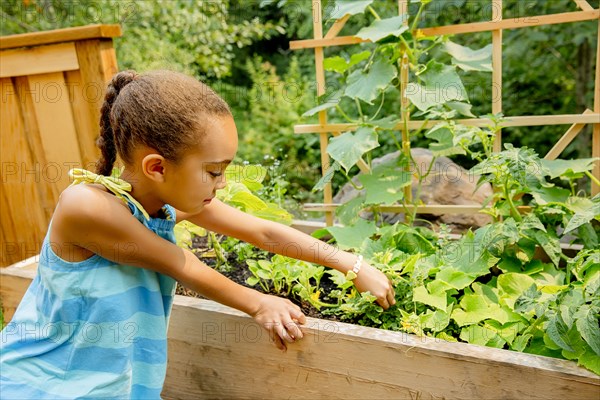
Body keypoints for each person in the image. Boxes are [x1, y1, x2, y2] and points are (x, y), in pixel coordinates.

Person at [0, 70, 395, 398]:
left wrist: (349, 263)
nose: (221, 184)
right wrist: (259, 304)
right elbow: (181, 263)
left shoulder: (163, 206)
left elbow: (263, 231)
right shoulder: (86, 208)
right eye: (213, 171)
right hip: (44, 385)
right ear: (157, 168)